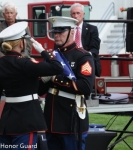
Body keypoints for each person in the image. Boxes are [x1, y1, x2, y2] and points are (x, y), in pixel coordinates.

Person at [0, 21, 63, 149]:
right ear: (21, 43)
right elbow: (57, 67)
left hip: (6, 123)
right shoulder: (26, 64)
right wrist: (43, 51)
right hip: (27, 121)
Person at [38, 16, 95, 150]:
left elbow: (85, 87)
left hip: (71, 120)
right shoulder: (52, 57)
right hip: (51, 119)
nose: (56, 36)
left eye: (60, 32)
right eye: (54, 32)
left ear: (72, 32)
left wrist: (55, 79)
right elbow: (40, 90)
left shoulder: (83, 56)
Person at [0, 2, 32, 75]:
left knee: (32, 62)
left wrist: (21, 56)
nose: (9, 15)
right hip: (3, 56)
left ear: (16, 14)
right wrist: (6, 57)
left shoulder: (24, 27)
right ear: (3, 15)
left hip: (21, 55)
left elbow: (28, 47)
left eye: (11, 13)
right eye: (7, 13)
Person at [70, 3, 101, 77]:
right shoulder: (67, 29)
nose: (75, 16)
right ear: (71, 15)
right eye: (73, 13)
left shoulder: (92, 29)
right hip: (70, 58)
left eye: (78, 13)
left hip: (86, 58)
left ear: (83, 14)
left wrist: (85, 55)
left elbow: (95, 49)